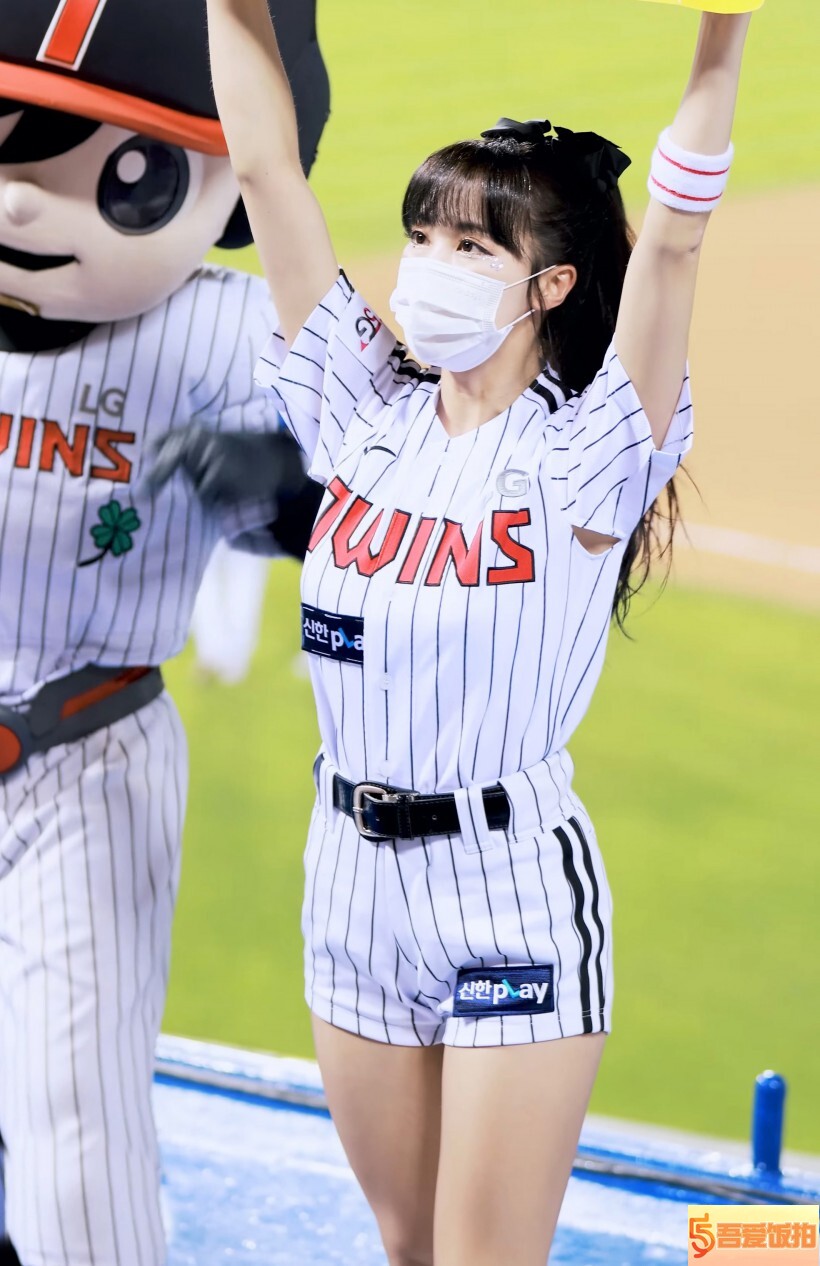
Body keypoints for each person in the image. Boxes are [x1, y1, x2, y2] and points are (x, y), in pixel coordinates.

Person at [155, 2, 755, 1262]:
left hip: (508, 893)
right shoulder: (359, 406)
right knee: (408, 1244)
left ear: (550, 285)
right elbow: (264, 168)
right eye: (423, 231)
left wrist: (720, 37)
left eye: (471, 244)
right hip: (349, 881)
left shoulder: (589, 452)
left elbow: (674, 247)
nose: (426, 259)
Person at [0, 2, 326, 1263]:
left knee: (75, 1116)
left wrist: (291, 495)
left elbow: (392, 499)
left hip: (86, 760)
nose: (24, 206)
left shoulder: (225, 332)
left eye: (123, 171)